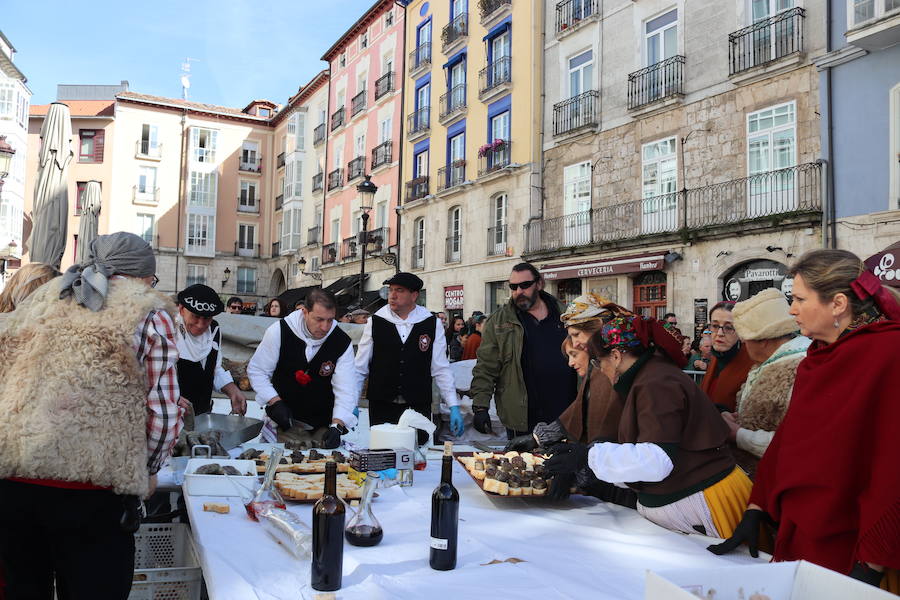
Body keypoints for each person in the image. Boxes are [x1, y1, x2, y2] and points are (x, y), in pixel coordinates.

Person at [0, 232, 182, 598]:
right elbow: (162, 413)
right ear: (143, 276)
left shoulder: (43, 298)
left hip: (13, 486)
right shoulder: (148, 311)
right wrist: (147, 470)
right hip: (93, 494)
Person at [709, 250, 900, 592]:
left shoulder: (889, 354)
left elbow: (892, 464)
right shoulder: (818, 354)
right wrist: (759, 505)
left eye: (798, 299)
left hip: (850, 539)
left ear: (838, 303)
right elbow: (791, 437)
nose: (792, 309)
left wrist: (871, 561)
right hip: (801, 525)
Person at [545, 312, 751, 538]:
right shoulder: (647, 377)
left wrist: (590, 457)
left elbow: (657, 459)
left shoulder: (656, 383)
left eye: (598, 362)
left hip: (708, 505)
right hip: (694, 506)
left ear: (615, 356)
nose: (599, 369)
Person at [353, 272, 464, 442]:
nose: (393, 296)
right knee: (384, 456)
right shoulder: (376, 321)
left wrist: (453, 405)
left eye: (399, 290)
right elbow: (360, 367)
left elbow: (440, 368)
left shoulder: (430, 323)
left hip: (417, 403)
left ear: (414, 295)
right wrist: (351, 401)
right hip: (382, 403)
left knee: (417, 457)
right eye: (390, 290)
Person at [470, 263, 577, 438]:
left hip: (565, 414)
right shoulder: (498, 322)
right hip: (522, 417)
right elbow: (486, 367)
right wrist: (480, 407)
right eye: (513, 287)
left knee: (563, 464)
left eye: (525, 285)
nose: (519, 291)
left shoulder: (566, 315)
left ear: (539, 284)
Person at [248, 289, 357, 449]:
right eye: (319, 319)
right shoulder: (279, 331)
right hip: (284, 421)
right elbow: (258, 371)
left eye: (330, 320)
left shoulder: (341, 342)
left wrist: (337, 425)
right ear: (304, 312)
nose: (325, 327)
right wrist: (274, 401)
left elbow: (346, 389)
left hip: (322, 423)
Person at [722, 288, 809, 477]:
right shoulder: (767, 364)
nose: (744, 345)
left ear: (763, 341)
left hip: (777, 480)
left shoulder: (800, 369)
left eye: (746, 340)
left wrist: (738, 434)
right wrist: (741, 419)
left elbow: (798, 443)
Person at [174, 284, 248, 417]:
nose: (201, 324)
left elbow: (214, 368)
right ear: (181, 309)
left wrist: (232, 390)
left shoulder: (214, 330)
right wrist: (171, 397)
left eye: (207, 318)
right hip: (172, 417)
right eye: (195, 316)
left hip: (203, 413)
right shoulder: (169, 330)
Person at [700, 301, 755, 411]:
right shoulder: (716, 358)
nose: (720, 333)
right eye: (715, 326)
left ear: (740, 331)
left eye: (729, 328)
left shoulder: (752, 365)